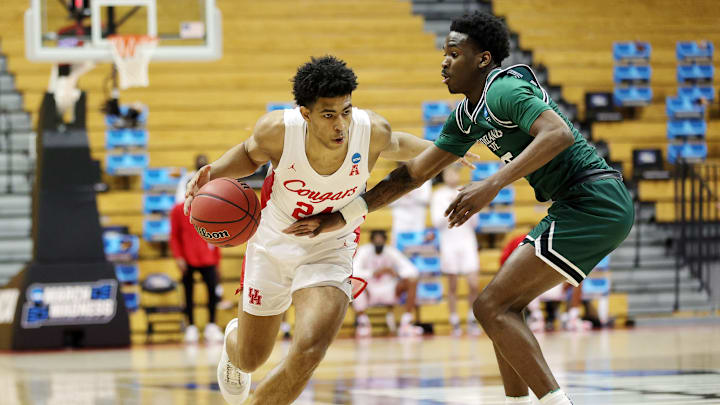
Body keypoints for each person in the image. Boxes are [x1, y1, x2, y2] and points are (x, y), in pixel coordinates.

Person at [286, 13, 634, 405]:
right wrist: (341, 215)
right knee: (502, 309)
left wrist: (492, 184)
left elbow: (558, 133)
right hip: (580, 203)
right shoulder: (467, 118)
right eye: (445, 53)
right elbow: (411, 175)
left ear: (483, 60)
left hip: (594, 200)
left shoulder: (503, 91)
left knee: (491, 306)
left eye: (454, 53)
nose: (445, 62)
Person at [183, 56, 477, 405]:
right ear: (305, 114)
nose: (341, 125)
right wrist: (211, 172)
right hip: (273, 245)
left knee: (309, 350)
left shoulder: (370, 130)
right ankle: (235, 344)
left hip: (331, 247)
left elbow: (395, 144)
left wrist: (441, 150)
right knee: (252, 358)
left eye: (346, 111)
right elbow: (250, 155)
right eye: (328, 114)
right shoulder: (278, 130)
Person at [430, 164, 481, 336]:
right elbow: (437, 221)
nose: (452, 175)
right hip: (449, 242)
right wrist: (454, 209)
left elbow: (475, 221)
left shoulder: (467, 191)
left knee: (473, 283)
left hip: (467, 241)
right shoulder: (438, 195)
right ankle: (454, 321)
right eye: (449, 172)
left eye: (455, 172)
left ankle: (471, 318)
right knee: (452, 285)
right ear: (443, 175)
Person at [169, 202, 224, 343]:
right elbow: (174, 235)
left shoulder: (210, 207)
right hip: (187, 257)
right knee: (188, 293)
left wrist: (217, 260)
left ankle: (211, 325)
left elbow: (216, 235)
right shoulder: (177, 209)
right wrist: (178, 257)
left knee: (212, 292)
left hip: (207, 257)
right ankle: (191, 327)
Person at [352, 230, 422, 338]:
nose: (378, 242)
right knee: (354, 283)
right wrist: (374, 272)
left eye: (381, 240)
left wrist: (396, 273)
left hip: (390, 290)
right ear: (371, 241)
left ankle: (406, 323)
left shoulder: (391, 251)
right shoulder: (364, 251)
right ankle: (363, 324)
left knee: (412, 281)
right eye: (376, 240)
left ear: (385, 240)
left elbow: (412, 270)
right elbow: (354, 271)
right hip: (370, 291)